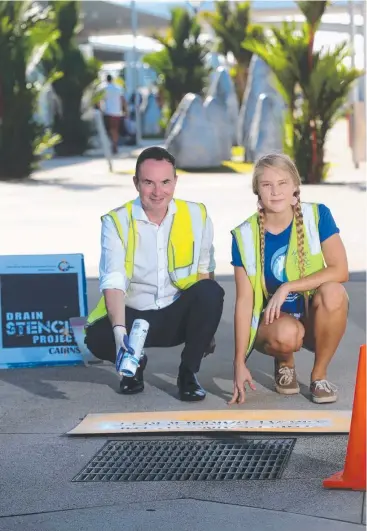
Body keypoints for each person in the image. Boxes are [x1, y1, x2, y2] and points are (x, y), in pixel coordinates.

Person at [85, 146, 224, 401]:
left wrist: (206, 329)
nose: (158, 192)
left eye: (165, 182)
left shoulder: (197, 215)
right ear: (136, 183)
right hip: (133, 314)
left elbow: (205, 272)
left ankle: (188, 374)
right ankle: (133, 363)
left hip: (173, 314)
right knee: (96, 337)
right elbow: (113, 278)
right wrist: (119, 334)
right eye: (149, 182)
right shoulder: (116, 221)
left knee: (211, 292)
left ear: (175, 182)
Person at [229, 153, 349, 406]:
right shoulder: (245, 235)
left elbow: (340, 270)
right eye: (267, 185)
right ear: (257, 191)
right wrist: (238, 362)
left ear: (295, 186)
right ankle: (284, 363)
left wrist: (289, 287)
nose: (275, 192)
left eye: (283, 183)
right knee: (286, 333)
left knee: (335, 293)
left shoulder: (318, 216)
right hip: (275, 325)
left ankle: (319, 376)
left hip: (313, 317)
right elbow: (243, 302)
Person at [103, 74, 126, 154]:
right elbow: (123, 99)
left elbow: (101, 99)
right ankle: (115, 143)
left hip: (108, 112)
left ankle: (113, 143)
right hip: (117, 112)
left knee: (109, 129)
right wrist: (125, 110)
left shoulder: (105, 88)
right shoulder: (118, 88)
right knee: (115, 129)